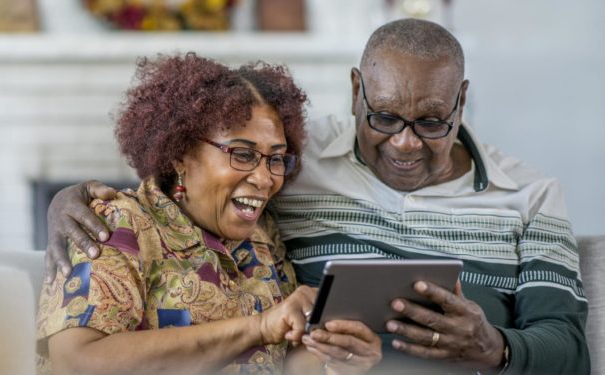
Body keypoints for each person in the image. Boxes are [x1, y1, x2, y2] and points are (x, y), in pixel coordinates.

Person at [44, 20, 589, 374]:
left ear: (461, 101)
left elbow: (569, 349)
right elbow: (178, 186)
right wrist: (67, 199)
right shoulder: (302, 166)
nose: (404, 141)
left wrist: (493, 347)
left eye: (430, 122)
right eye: (384, 117)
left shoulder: (532, 195)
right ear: (356, 91)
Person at [36, 53, 383, 375]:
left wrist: (335, 358)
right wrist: (257, 327)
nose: (265, 178)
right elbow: (77, 362)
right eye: (242, 154)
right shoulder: (118, 225)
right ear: (180, 155)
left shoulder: (264, 238)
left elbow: (285, 361)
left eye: (276, 158)